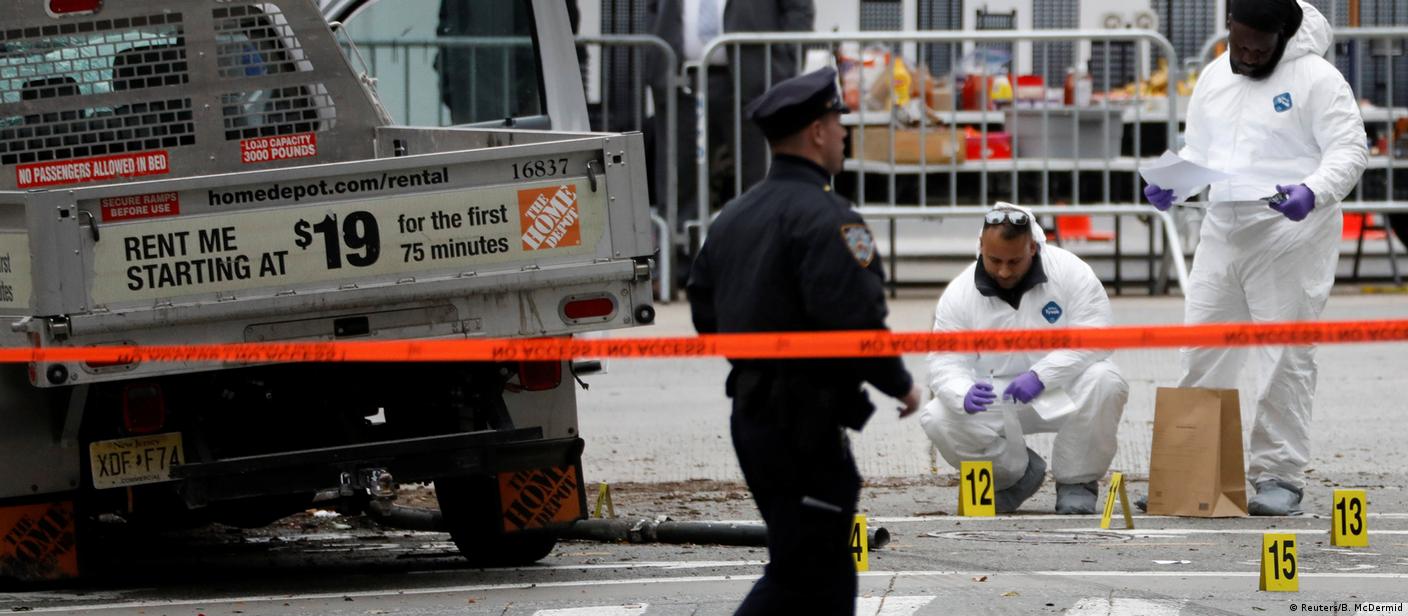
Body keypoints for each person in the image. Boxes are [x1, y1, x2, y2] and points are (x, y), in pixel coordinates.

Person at [687, 67, 921, 615]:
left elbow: (704, 310)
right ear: (817, 132)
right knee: (805, 570)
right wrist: (900, 384)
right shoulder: (829, 218)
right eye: (839, 123)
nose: (844, 134)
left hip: (754, 414)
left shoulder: (733, 217)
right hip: (803, 423)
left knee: (825, 574)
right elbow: (857, 320)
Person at [1142, 0, 1367, 515]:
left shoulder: (1318, 78)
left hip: (1291, 232)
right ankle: (1192, 472)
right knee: (1202, 349)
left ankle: (1279, 474)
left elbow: (1350, 149)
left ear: (1284, 36)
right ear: (1228, 26)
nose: (1245, 56)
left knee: (1284, 355)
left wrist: (1314, 190)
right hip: (1224, 227)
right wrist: (1174, 182)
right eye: (1238, 44)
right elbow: (1201, 151)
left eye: (1258, 50)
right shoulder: (1215, 75)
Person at [920, 204, 1129, 514]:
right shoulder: (960, 293)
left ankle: (1077, 481)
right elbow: (944, 360)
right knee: (937, 416)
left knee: (1106, 380)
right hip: (996, 394)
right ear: (981, 247)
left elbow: (1097, 336)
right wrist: (962, 393)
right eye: (995, 260)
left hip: (1060, 385)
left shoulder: (1071, 272)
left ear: (1033, 247)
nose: (1004, 271)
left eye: (1014, 261)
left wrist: (1041, 376)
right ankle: (1014, 477)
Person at [647, 0, 815, 215]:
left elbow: (798, 9)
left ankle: (766, 230)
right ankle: (681, 234)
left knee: (761, 175)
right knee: (679, 179)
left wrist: (786, 63)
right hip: (681, 79)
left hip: (754, 79)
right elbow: (652, 8)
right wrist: (655, 56)